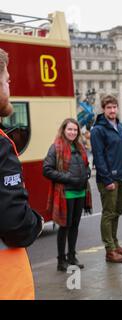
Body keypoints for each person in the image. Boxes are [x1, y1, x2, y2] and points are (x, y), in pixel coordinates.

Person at [0, 48, 44, 299]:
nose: (10, 88)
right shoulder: (1, 145)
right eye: (6, 81)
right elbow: (14, 222)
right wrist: (35, 223)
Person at [43, 118, 92, 271]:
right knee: (64, 227)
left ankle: (72, 256)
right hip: (66, 193)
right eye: (69, 129)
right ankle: (60, 260)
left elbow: (86, 165)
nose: (72, 132)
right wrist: (68, 178)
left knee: (75, 226)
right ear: (64, 130)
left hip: (80, 192)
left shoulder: (80, 146)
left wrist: (87, 173)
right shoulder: (56, 147)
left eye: (75, 130)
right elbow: (47, 169)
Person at [91, 95, 122, 263]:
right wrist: (107, 179)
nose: (112, 110)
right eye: (109, 107)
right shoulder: (98, 130)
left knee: (117, 212)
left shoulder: (120, 126)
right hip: (108, 179)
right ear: (104, 109)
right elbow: (98, 156)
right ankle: (109, 250)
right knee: (109, 214)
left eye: (114, 107)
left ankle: (116, 245)